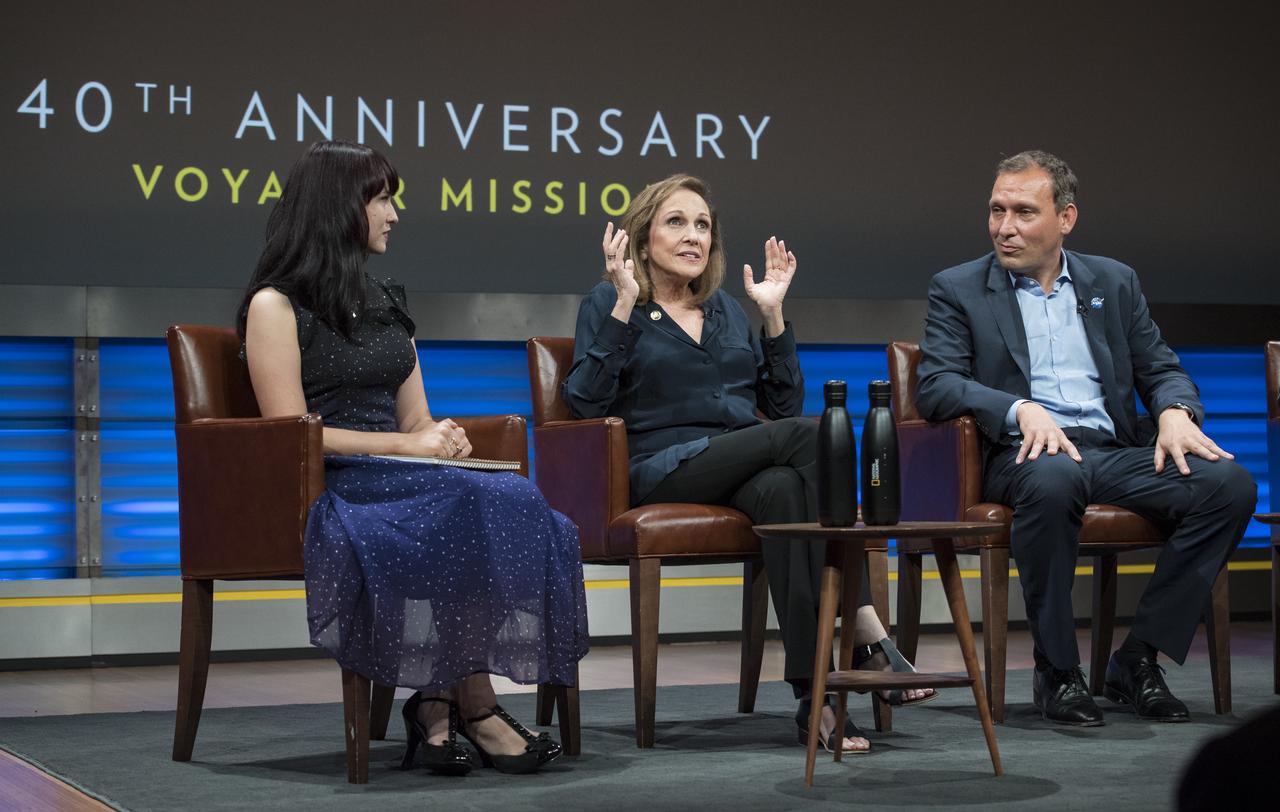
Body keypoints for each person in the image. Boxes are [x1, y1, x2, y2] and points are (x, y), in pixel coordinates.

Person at [237, 140, 589, 775]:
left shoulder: (388, 301)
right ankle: (473, 708)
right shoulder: (276, 305)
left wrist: (442, 437)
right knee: (464, 502)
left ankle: (433, 701)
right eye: (381, 199)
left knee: (513, 495)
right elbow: (290, 433)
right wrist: (408, 446)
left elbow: (416, 418)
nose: (394, 214)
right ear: (340, 208)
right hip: (336, 484)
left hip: (402, 472)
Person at [564, 173, 934, 755]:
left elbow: (781, 403)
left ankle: (814, 699)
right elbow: (583, 403)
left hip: (743, 464)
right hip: (661, 467)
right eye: (676, 222)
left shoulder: (726, 313)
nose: (693, 237)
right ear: (641, 235)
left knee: (788, 490)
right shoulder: (609, 302)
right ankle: (864, 627)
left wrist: (774, 317)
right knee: (811, 438)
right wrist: (624, 304)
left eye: (703, 225)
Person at [916, 150, 1256, 726]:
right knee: (1054, 475)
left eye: (1024, 212)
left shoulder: (1113, 282)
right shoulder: (959, 288)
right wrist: (1019, 408)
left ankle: (1139, 657)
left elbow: (1161, 367)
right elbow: (937, 384)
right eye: (997, 210)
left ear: (1066, 218)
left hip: (1112, 450)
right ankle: (1057, 669)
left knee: (1229, 484)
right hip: (1023, 456)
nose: (1005, 227)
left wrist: (1175, 411)